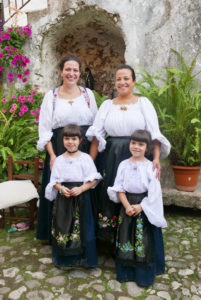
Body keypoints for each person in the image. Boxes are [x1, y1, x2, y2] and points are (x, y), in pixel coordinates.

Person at [86, 64, 170, 241]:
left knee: (136, 193)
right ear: (115, 82)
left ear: (134, 82)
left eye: (126, 79)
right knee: (113, 192)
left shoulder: (143, 104)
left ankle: (137, 239)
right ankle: (112, 240)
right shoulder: (107, 105)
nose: (122, 82)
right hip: (112, 157)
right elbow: (96, 136)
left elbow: (154, 134)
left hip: (139, 157)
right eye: (118, 79)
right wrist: (89, 164)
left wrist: (156, 159)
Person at [36, 55, 98, 242]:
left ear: (80, 73)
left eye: (75, 70)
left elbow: (95, 128)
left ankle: (85, 234)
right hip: (58, 149)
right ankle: (56, 234)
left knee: (83, 190)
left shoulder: (88, 95)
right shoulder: (52, 96)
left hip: (84, 149)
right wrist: (53, 156)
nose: (71, 73)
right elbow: (45, 129)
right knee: (59, 189)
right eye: (68, 69)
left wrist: (91, 158)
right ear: (61, 71)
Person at [107, 129, 167, 286]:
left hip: (144, 205)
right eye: (133, 143)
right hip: (126, 205)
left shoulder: (150, 167)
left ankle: (143, 276)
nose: (136, 147)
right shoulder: (123, 165)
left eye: (141, 144)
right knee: (126, 237)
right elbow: (119, 187)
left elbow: (154, 191)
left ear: (147, 148)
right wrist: (127, 206)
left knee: (143, 240)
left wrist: (140, 207)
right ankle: (126, 273)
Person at [45, 124, 102, 268]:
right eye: (67, 139)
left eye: (74, 139)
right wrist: (61, 188)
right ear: (62, 140)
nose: (70, 142)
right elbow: (54, 181)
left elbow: (94, 179)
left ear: (80, 140)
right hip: (64, 199)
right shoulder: (59, 160)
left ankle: (84, 259)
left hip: (82, 198)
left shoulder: (86, 158)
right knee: (64, 226)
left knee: (83, 227)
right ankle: (65, 259)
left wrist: (82, 188)